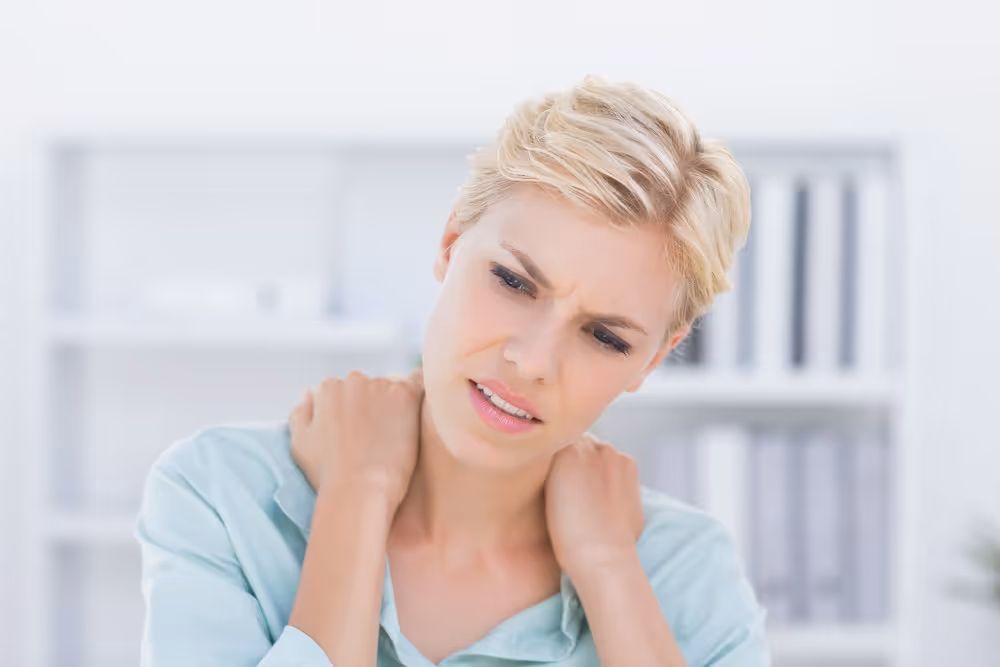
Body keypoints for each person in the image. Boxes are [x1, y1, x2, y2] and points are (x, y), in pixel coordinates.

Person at [134, 75, 770, 667]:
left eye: (604, 336)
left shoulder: (689, 570)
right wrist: (355, 497)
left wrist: (609, 569)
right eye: (514, 281)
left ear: (652, 360)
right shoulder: (219, 495)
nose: (532, 361)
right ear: (450, 241)